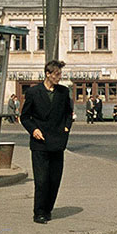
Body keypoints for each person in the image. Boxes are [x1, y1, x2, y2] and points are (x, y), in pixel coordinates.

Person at [20, 60, 73, 224]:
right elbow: (25, 117)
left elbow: (68, 114)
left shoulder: (63, 92)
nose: (59, 77)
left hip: (58, 142)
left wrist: (66, 129)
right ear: (48, 74)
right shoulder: (33, 93)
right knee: (42, 180)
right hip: (40, 144)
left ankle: (48, 208)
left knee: (54, 179)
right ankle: (39, 212)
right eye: (56, 74)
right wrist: (34, 130)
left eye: (60, 74)